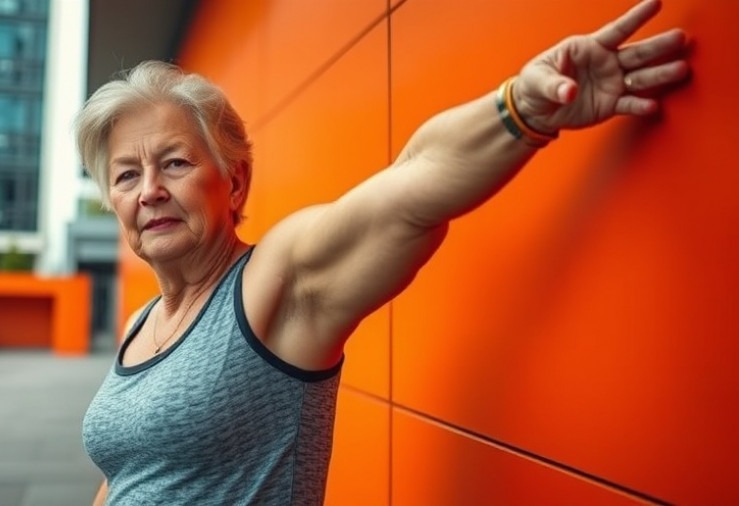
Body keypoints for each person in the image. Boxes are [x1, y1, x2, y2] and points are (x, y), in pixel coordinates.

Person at [78, 0, 690, 504]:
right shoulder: (141, 324)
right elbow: (128, 473)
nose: (149, 190)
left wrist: (523, 109)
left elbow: (413, 184)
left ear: (234, 183)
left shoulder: (274, 282)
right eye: (127, 175)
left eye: (175, 163)